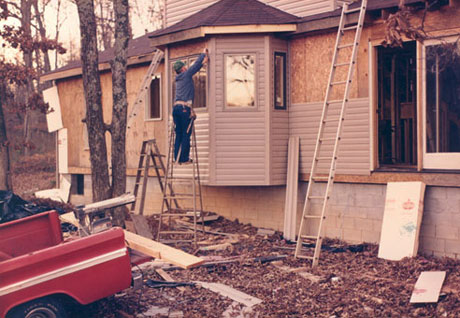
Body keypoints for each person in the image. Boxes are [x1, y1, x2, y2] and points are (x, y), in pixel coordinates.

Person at [172, 48, 208, 164]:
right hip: (184, 109)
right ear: (182, 68)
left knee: (178, 134)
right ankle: (184, 158)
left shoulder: (177, 79)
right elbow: (195, 66)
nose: (186, 67)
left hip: (176, 109)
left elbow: (196, 67)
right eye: (185, 66)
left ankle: (176, 158)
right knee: (186, 133)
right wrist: (203, 54)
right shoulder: (186, 74)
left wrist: (202, 64)